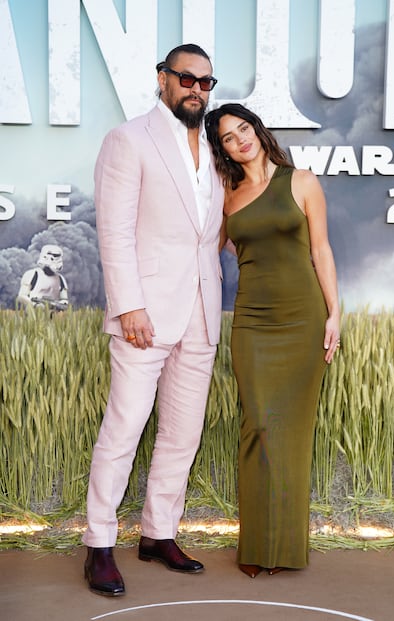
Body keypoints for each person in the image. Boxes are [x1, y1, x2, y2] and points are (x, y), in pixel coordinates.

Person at [83, 44, 224, 596]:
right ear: (162, 78)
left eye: (206, 82)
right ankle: (99, 544)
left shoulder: (214, 148)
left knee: (183, 434)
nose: (196, 89)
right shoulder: (128, 139)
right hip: (144, 314)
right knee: (124, 429)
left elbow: (207, 233)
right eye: (186, 78)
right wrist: (129, 305)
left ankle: (158, 533)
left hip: (201, 312)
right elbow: (114, 230)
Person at [205, 103, 340, 578]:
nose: (239, 140)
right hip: (253, 323)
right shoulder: (226, 196)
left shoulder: (300, 181)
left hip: (303, 319)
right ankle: (256, 545)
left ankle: (284, 548)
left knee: (292, 434)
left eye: (244, 129)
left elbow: (321, 249)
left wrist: (334, 313)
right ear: (222, 150)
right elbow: (209, 249)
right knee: (258, 426)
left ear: (258, 131)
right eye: (228, 137)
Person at [16, 244, 69, 312]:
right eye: (54, 256)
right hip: (34, 311)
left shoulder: (60, 278)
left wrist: (59, 305)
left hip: (53, 312)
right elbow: (21, 296)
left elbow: (64, 299)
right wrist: (34, 305)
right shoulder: (33, 274)